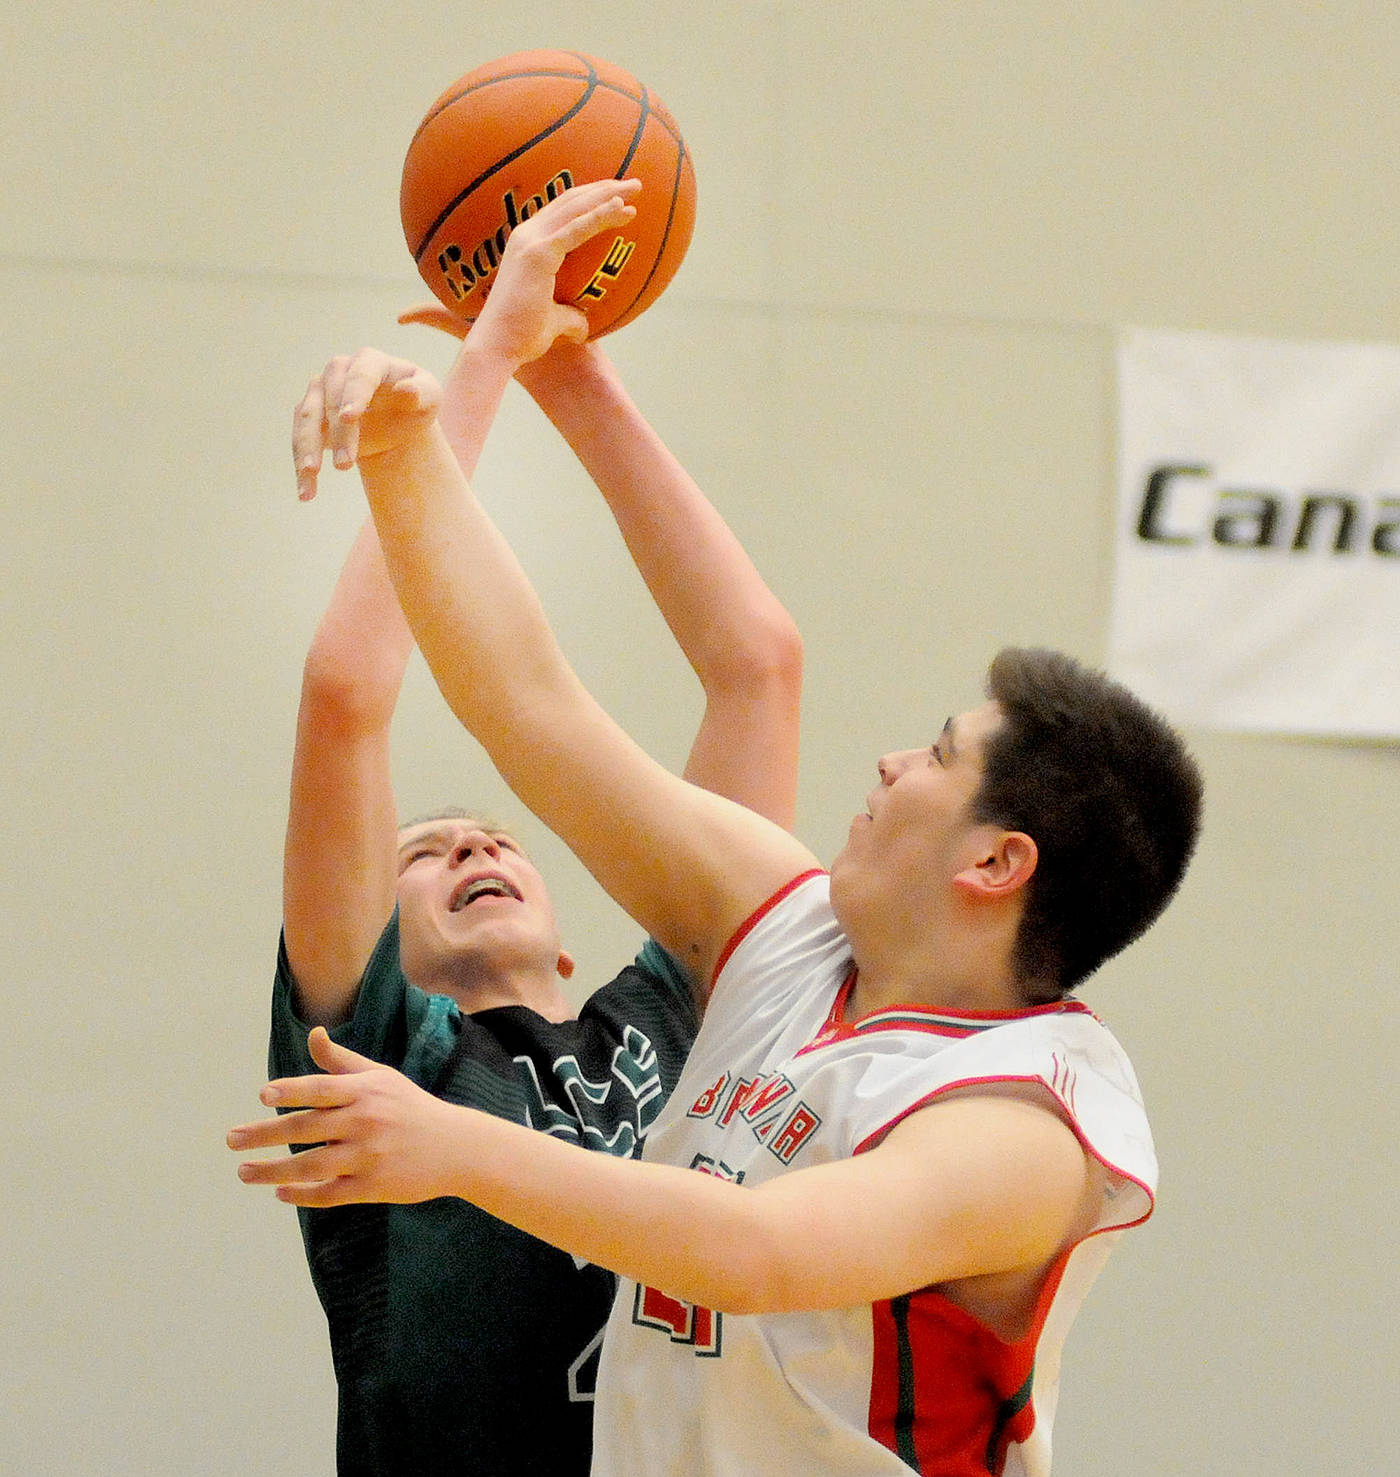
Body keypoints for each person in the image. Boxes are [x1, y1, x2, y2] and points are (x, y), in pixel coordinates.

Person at [233, 179, 1204, 1477]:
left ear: (993, 859)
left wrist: (456, 1146)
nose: (889, 758)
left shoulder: (1025, 1130)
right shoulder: (785, 931)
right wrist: (418, 444)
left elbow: (756, 1252)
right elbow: (529, 702)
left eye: (937, 754)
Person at [269, 190, 802, 1477]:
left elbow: (757, 669)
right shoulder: (377, 1050)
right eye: (426, 850)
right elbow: (350, 696)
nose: (471, 850)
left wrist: (580, 381)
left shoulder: (676, 1020)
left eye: (498, 840)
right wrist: (478, 363)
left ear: (570, 941)